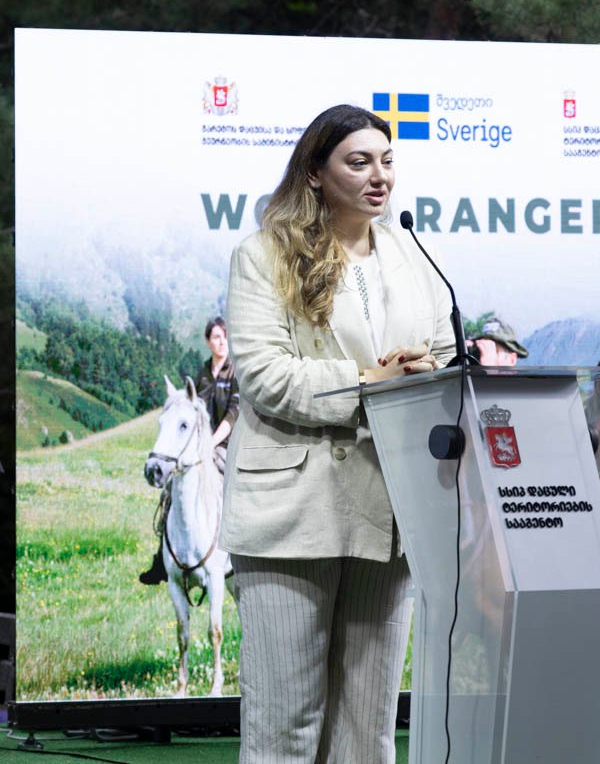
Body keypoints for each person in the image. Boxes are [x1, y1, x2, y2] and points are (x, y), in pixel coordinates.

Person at [221, 104, 454, 764]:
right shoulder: (262, 254)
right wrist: (368, 381)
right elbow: (264, 376)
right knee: (285, 725)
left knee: (366, 728)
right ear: (315, 173)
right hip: (291, 513)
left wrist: (428, 370)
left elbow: (442, 351)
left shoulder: (414, 252)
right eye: (359, 162)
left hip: (391, 508)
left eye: (386, 161)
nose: (379, 176)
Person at [139, 316, 240, 586]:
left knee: (234, 488)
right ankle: (161, 560)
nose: (222, 342)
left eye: (225, 336)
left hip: (227, 446)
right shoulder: (203, 374)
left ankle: (241, 552)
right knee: (170, 493)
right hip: (198, 449)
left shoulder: (236, 372)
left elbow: (233, 414)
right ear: (208, 342)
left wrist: (211, 443)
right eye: (216, 337)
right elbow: (191, 410)